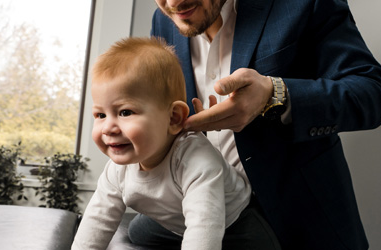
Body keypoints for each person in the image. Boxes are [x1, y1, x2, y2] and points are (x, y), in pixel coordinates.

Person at [138, 0, 381, 249]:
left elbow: (370, 95)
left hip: (298, 223)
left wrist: (275, 94)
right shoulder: (165, 19)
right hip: (203, 225)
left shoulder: (304, 3)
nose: (174, 2)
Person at [71, 37, 278, 250]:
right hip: (175, 221)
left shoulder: (197, 161)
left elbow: (203, 228)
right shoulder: (117, 170)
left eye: (125, 112)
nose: (108, 128)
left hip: (234, 222)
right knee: (136, 231)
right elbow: (98, 218)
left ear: (174, 118)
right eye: (100, 114)